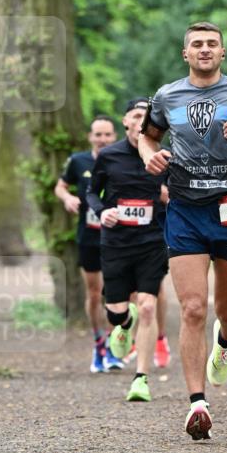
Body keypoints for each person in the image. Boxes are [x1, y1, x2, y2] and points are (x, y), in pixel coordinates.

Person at [139, 21, 227, 440]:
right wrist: (150, 156)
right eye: (197, 45)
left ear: (223, 53)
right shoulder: (167, 95)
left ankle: (225, 344)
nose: (204, 50)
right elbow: (148, 137)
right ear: (186, 54)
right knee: (194, 308)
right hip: (184, 210)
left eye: (211, 45)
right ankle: (197, 403)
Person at [87, 99, 169, 402]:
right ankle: (124, 323)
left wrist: (168, 196)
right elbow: (92, 192)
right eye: (136, 115)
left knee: (149, 306)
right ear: (125, 121)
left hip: (152, 242)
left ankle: (141, 378)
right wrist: (102, 211)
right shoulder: (109, 156)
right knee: (116, 312)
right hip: (116, 243)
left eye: (147, 116)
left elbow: (176, 196)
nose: (141, 120)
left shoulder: (164, 158)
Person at [55, 115, 125, 373]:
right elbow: (60, 186)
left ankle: (113, 344)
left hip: (118, 237)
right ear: (90, 137)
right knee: (94, 293)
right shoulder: (78, 161)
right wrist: (67, 198)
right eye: (98, 134)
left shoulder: (122, 159)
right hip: (89, 237)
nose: (102, 139)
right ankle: (98, 345)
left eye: (107, 134)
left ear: (114, 136)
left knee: (117, 293)